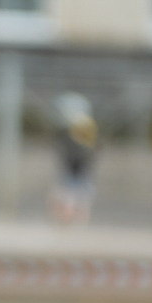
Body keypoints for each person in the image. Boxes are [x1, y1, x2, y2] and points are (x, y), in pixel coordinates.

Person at [50, 92, 99, 224]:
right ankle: (70, 222)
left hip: (77, 172)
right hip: (75, 172)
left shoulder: (81, 135)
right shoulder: (73, 135)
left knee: (72, 199)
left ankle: (71, 222)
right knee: (71, 199)